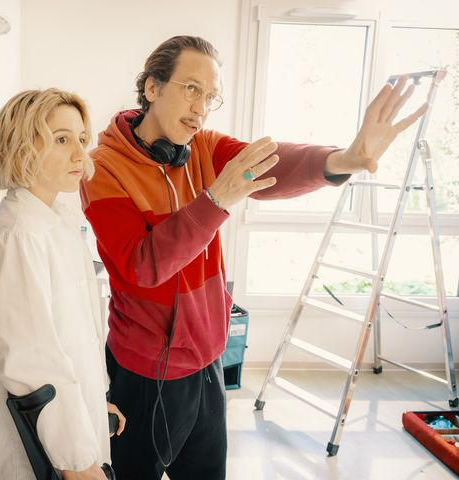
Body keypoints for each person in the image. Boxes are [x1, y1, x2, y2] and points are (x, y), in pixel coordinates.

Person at [79, 35, 426, 479]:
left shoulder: (203, 147)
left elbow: (272, 164)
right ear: (152, 88)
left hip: (207, 363)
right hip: (146, 372)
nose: (201, 108)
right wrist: (215, 200)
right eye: (190, 88)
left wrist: (344, 159)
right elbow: (142, 265)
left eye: (210, 96)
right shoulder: (102, 167)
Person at [0, 88, 126, 480]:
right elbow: (31, 363)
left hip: (69, 430)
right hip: (35, 455)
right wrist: (78, 464)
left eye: (81, 140)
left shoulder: (55, 221)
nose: (79, 154)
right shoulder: (16, 236)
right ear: (23, 146)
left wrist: (95, 399)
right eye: (61, 139)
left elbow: (75, 334)